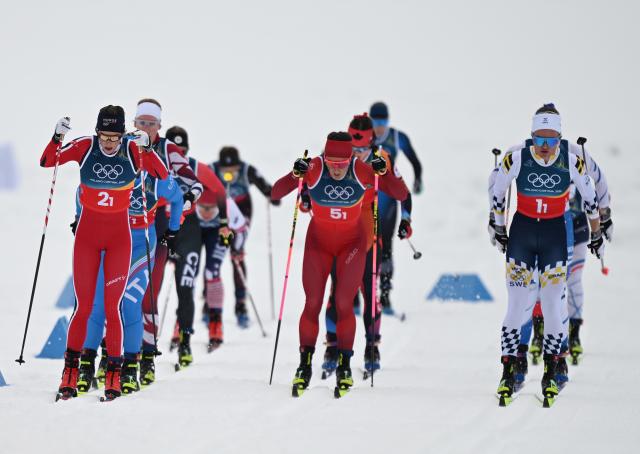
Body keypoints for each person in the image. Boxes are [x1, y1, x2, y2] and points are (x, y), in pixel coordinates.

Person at [40, 106, 168, 400]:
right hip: (87, 239)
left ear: (122, 134)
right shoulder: (86, 146)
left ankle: (114, 373)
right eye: (104, 136)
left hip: (119, 241)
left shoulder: (132, 151)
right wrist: (56, 137)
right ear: (96, 132)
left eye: (114, 137)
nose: (108, 143)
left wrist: (147, 149)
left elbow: (161, 173)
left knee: (114, 309)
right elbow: (48, 161)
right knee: (84, 308)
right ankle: (70, 372)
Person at [271, 132, 408, 397]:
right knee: (312, 302)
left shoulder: (361, 170)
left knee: (345, 303)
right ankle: (304, 364)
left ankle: (345, 365)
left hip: (352, 246)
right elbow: (276, 192)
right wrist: (294, 175)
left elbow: (401, 193)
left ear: (350, 160)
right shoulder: (315, 168)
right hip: (318, 245)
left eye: (342, 163)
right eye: (332, 162)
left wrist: (386, 173)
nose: (336, 168)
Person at [491, 105, 603, 406]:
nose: (544, 148)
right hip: (522, 235)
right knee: (517, 305)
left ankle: (553, 368)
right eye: (539, 140)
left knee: (553, 302)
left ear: (559, 138)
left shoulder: (571, 160)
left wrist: (596, 234)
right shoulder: (517, 156)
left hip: (554, 235)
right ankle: (509, 368)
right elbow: (498, 193)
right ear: (531, 136)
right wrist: (498, 228)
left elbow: (591, 199)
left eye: (551, 140)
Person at [76, 168, 185, 394]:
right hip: (110, 242)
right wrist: (80, 219)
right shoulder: (110, 170)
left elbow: (178, 197)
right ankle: (86, 366)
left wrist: (173, 230)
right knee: (98, 306)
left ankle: (129, 370)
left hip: (140, 245)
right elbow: (81, 191)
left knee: (130, 305)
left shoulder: (155, 180)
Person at [322, 114, 412, 377]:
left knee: (370, 295)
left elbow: (402, 193)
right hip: (339, 239)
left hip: (369, 239)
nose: (358, 155)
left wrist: (406, 219)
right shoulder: (336, 157)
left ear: (371, 144)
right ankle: (332, 345)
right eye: (354, 149)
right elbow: (312, 185)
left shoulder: (381, 158)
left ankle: (372, 346)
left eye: (363, 150)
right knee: (338, 294)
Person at [131, 102, 203, 385]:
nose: (145, 128)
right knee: (115, 290)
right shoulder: (124, 141)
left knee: (148, 290)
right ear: (134, 122)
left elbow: (194, 185)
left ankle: (147, 357)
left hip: (156, 223)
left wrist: (182, 206)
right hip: (122, 222)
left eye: (151, 123)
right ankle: (111, 355)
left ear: (159, 126)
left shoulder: (168, 150)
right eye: (141, 122)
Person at [163, 126, 232, 368]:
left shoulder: (194, 166)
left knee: (186, 286)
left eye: (182, 151)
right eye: (174, 150)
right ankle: (141, 346)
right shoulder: (154, 160)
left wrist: (223, 222)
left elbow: (221, 190)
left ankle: (184, 341)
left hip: (188, 230)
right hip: (159, 225)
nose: (178, 155)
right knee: (150, 286)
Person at [210, 146, 279, 327]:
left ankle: (240, 304)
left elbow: (262, 183)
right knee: (214, 252)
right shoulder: (212, 169)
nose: (229, 173)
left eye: (233, 169)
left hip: (242, 209)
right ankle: (208, 299)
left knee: (237, 252)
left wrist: (272, 195)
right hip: (220, 209)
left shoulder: (247, 169)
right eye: (226, 170)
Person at [369, 102, 423, 315]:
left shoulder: (397, 137)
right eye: (376, 122)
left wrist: (418, 179)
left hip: (387, 201)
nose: (380, 127)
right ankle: (355, 298)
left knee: (385, 247)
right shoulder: (364, 138)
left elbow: (415, 161)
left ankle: (385, 296)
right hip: (366, 200)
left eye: (383, 122)